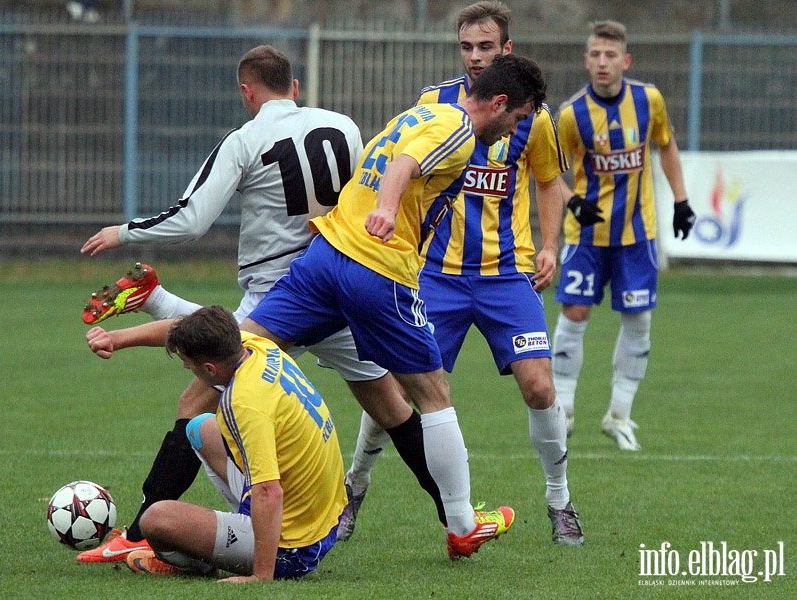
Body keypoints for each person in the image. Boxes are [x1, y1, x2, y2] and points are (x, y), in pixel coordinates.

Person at [76, 45, 463, 562]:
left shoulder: (246, 138)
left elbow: (192, 220)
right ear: (296, 87)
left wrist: (123, 232)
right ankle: (456, 522)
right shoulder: (343, 126)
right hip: (341, 278)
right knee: (394, 408)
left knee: (195, 403)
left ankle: (140, 530)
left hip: (286, 293)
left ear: (247, 92)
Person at [240, 53, 545, 559]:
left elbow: (385, 159)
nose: (515, 130)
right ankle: (464, 524)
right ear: (498, 103)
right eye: (518, 119)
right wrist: (385, 210)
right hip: (375, 269)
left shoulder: (418, 113)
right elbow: (404, 165)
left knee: (241, 348)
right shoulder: (460, 129)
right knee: (432, 393)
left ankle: (223, 493)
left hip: (325, 254)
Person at [338, 1, 583, 546]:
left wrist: (550, 246)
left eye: (486, 47)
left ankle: (559, 500)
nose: (475, 57)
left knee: (540, 386)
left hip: (505, 274)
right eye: (467, 47)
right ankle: (353, 489)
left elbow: (548, 181)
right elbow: (397, 161)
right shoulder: (434, 103)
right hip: (435, 276)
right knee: (397, 391)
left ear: (507, 50)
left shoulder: (532, 116)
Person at [551, 21, 695, 451]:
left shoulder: (648, 100)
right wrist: (571, 199)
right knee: (574, 314)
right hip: (586, 234)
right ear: (586, 60)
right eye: (595, 54)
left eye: (610, 55)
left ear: (625, 61)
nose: (602, 62)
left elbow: (665, 144)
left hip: (637, 234)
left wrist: (682, 200)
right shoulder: (570, 114)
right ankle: (564, 411)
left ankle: (619, 416)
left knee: (639, 319)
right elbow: (545, 169)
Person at [122, 305, 346, 581]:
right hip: (325, 513)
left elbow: (268, 491)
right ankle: (241, 529)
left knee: (156, 520)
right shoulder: (257, 345)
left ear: (209, 368)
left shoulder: (244, 403)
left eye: (187, 362)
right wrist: (119, 339)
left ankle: (202, 564)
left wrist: (260, 577)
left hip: (292, 547)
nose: (185, 366)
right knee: (200, 428)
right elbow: (181, 328)